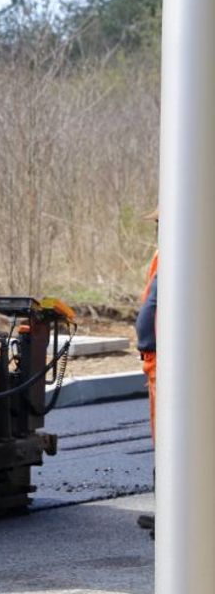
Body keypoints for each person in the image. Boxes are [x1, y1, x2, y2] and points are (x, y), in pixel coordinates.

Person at [137, 213, 158, 533]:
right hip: (156, 361)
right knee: (163, 439)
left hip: (168, 363)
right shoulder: (165, 254)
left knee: (174, 438)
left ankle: (174, 519)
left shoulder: (185, 253)